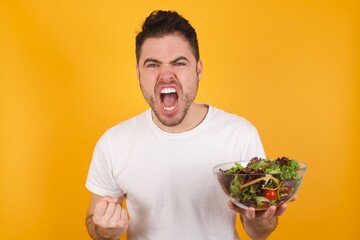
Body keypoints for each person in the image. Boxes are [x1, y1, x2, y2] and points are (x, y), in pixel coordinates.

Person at [85, 10, 288, 240]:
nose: (166, 75)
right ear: (138, 73)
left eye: (179, 63)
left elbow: (258, 233)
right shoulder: (113, 143)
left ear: (198, 69)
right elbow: (94, 223)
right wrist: (104, 230)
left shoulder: (239, 135)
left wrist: (261, 220)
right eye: (152, 65)